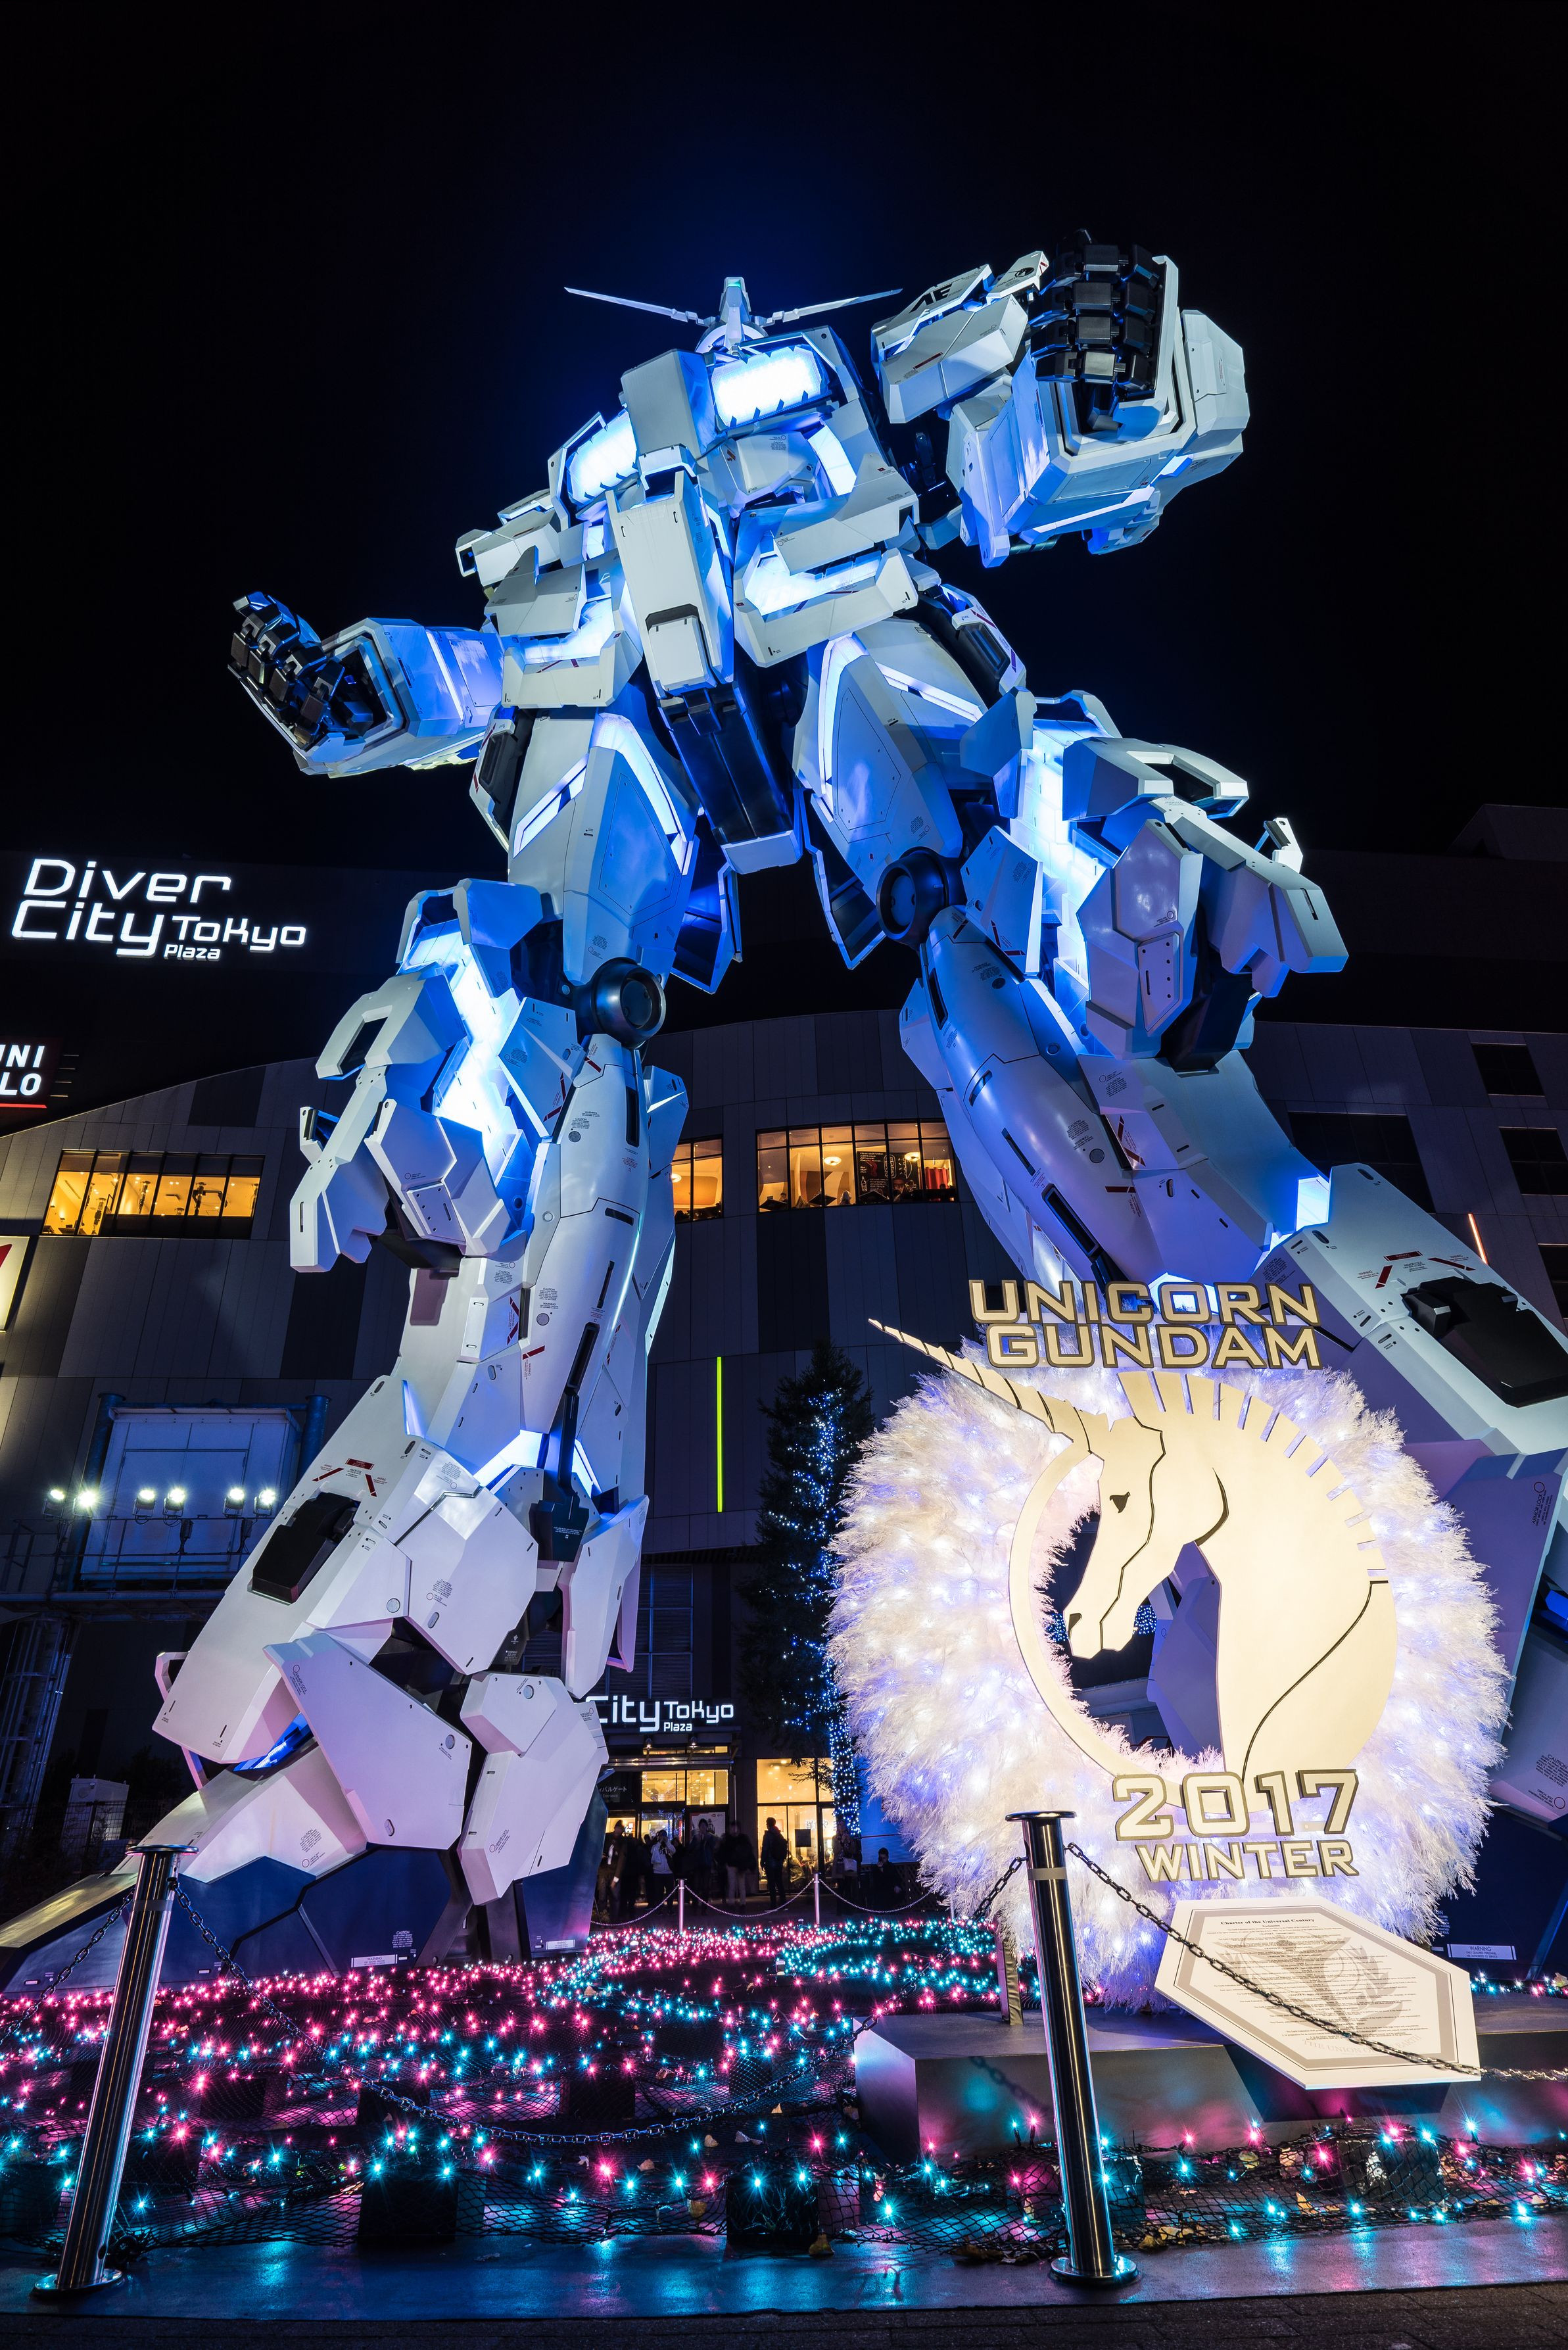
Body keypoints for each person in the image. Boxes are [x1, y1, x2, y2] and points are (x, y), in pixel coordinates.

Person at [759, 1816, 789, 1907]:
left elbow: (765, 1849)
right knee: (779, 1882)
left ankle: (773, 1903)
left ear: (768, 1825)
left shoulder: (767, 1835)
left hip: (770, 1862)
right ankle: (783, 1902)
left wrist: (762, 1862)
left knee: (772, 1884)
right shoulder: (779, 1835)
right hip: (779, 1862)